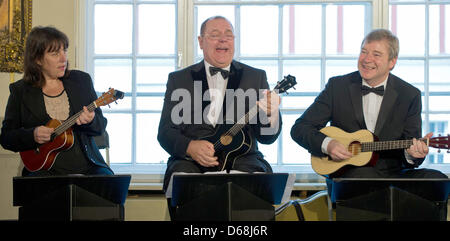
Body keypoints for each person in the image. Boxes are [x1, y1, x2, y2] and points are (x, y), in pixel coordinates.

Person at [291, 29, 447, 195]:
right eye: (364, 52)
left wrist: (412, 154)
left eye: (376, 54)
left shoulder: (409, 94)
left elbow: (411, 150)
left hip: (393, 174)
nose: (367, 59)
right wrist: (328, 144)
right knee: (364, 176)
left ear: (392, 62)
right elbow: (300, 128)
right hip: (348, 175)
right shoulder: (338, 87)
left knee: (437, 181)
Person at [158, 16, 282, 218]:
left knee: (258, 181)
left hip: (244, 160)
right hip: (192, 164)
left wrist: (272, 114)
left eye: (228, 35)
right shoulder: (178, 79)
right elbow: (165, 132)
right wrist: (190, 147)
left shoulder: (256, 76)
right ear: (201, 41)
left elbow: (267, 137)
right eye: (215, 35)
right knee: (182, 178)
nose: (223, 40)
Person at [0, 26, 113, 176]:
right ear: (38, 59)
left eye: (64, 51)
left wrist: (91, 120)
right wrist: (32, 134)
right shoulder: (20, 91)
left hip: (87, 165)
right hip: (43, 169)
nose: (63, 58)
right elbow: (7, 138)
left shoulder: (82, 81)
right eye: (55, 53)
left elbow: (100, 127)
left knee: (111, 186)